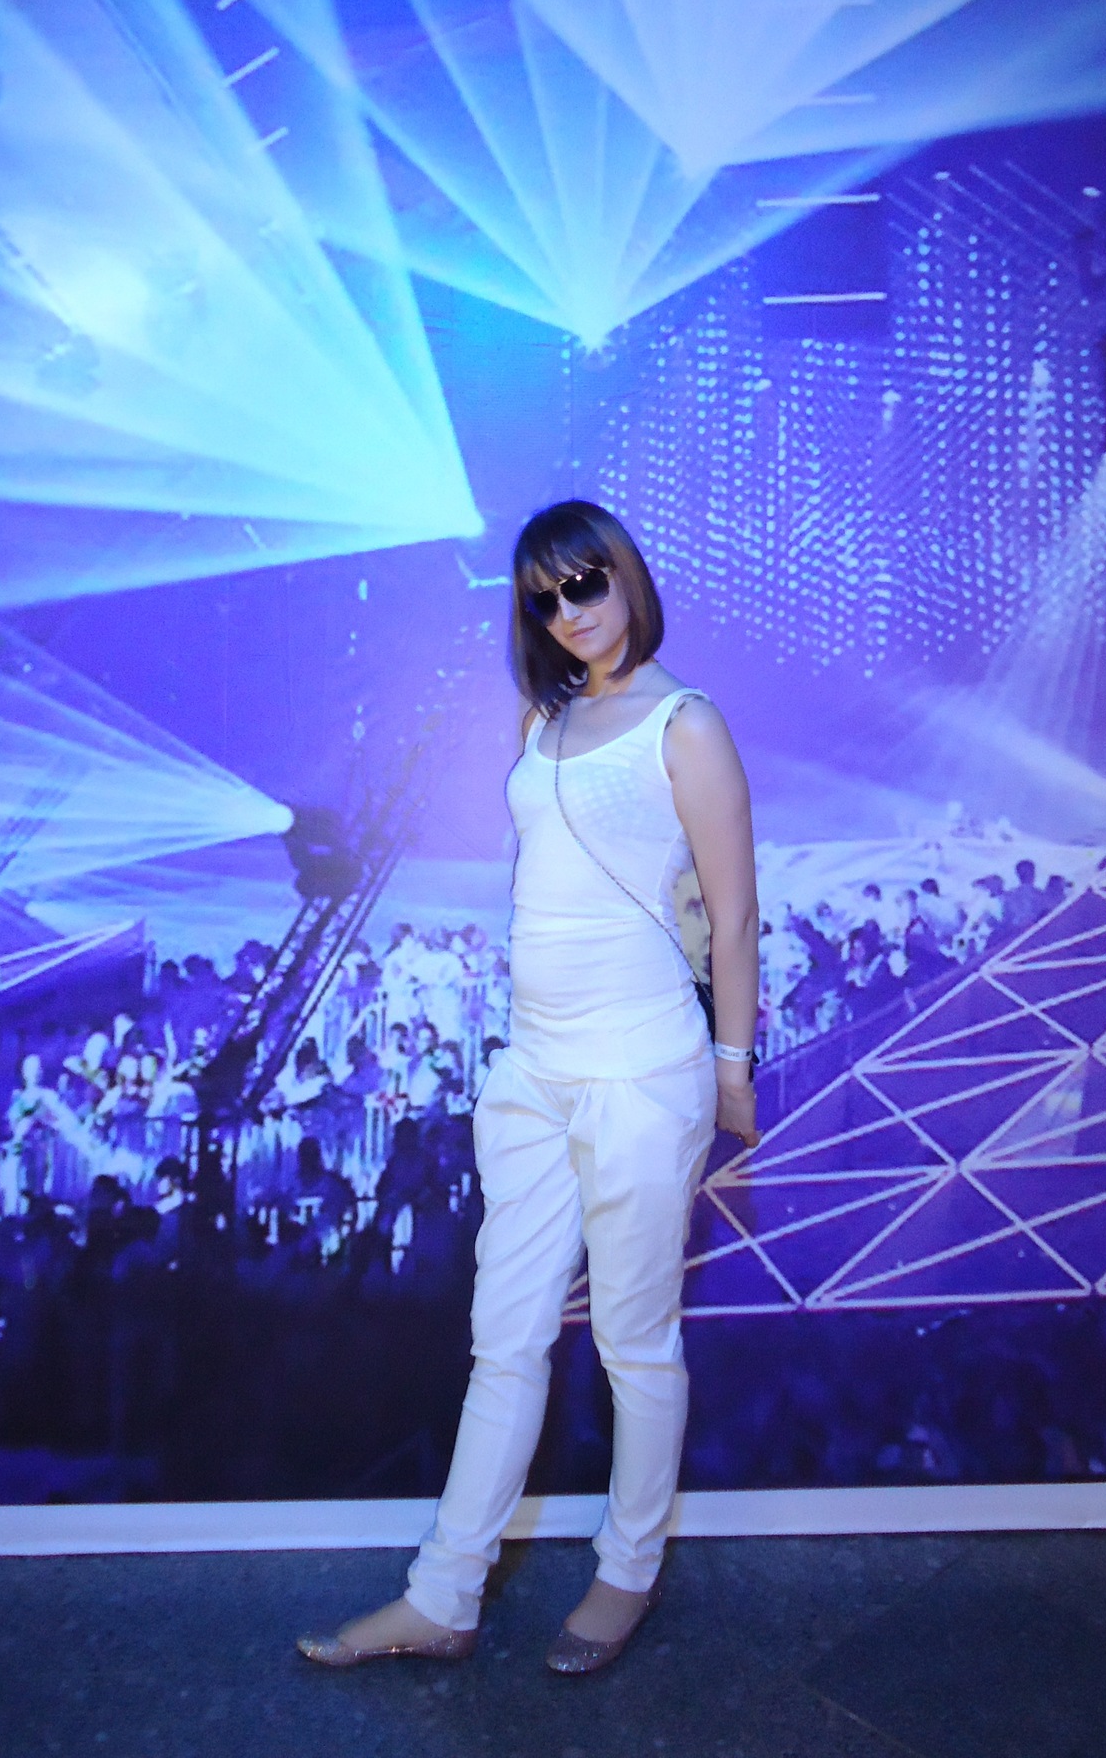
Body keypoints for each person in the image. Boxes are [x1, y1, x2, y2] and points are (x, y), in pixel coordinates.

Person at [299, 498, 760, 1676]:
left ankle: (627, 1571)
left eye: (586, 583)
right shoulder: (542, 720)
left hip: (642, 1068)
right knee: (502, 1336)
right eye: (545, 598)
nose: (570, 611)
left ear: (626, 578)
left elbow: (733, 912)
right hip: (534, 1069)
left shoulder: (688, 723)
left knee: (633, 1341)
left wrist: (733, 1071)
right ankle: (443, 1592)